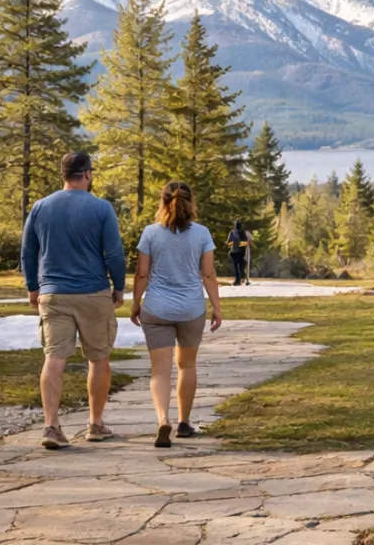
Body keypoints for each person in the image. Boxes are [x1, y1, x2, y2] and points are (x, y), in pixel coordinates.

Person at [21, 151, 126, 450]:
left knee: (54, 358)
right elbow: (114, 254)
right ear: (88, 174)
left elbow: (28, 252)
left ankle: (52, 426)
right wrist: (118, 286)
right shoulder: (102, 208)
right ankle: (95, 423)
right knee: (98, 358)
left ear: (64, 174)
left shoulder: (40, 207)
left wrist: (32, 286)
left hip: (53, 293)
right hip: (93, 292)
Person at [131, 181, 223, 448]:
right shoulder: (202, 233)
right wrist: (217, 307)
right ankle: (184, 422)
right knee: (187, 365)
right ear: (191, 202)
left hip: (157, 307)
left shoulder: (150, 233)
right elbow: (208, 274)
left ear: (162, 201)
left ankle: (163, 419)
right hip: (191, 309)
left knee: (160, 371)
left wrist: (136, 303)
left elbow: (142, 273)